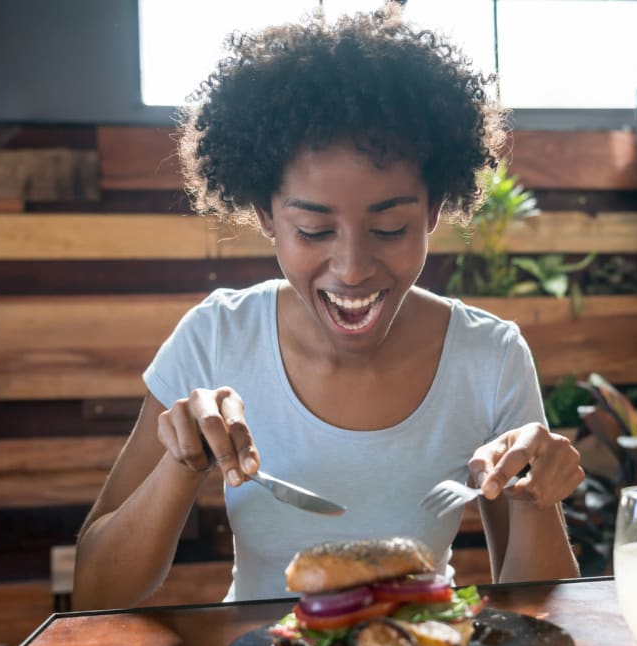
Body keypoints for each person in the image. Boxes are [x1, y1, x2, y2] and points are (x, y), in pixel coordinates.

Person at [73, 6, 583, 610]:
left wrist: (536, 495)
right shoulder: (217, 338)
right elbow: (95, 592)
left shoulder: (489, 356)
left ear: (434, 211)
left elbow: (535, 608)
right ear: (266, 215)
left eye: (390, 228)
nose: (352, 268)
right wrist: (182, 465)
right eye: (314, 230)